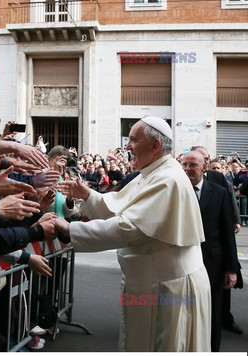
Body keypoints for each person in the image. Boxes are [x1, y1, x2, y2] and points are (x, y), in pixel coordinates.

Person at [53, 116, 211, 351]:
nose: (127, 146)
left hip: (169, 288)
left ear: (155, 146)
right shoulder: (153, 172)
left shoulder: (168, 178)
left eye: (134, 140)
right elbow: (120, 203)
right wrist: (88, 195)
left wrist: (70, 229)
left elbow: (130, 227)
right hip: (152, 282)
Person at [182, 151, 240, 351]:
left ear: (203, 168)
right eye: (184, 165)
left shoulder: (219, 192)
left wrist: (231, 268)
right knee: (185, 313)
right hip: (182, 265)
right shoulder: (175, 192)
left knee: (213, 314)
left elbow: (227, 233)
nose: (187, 169)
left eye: (192, 165)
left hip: (212, 266)